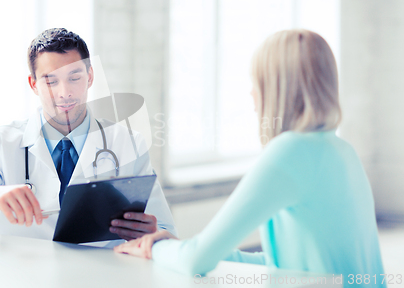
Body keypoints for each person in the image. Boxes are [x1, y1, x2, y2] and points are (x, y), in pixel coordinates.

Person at [114, 29, 387, 287]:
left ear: (276, 89)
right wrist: (177, 246)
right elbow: (279, 264)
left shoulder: (290, 151)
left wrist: (156, 247)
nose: (251, 94)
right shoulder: (341, 150)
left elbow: (196, 262)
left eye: (256, 82)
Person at [0, 28, 176, 247]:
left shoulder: (128, 143)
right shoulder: (3, 142)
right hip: (27, 276)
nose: (65, 93)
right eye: (51, 80)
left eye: (74, 77)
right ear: (33, 84)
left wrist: (150, 233)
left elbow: (165, 230)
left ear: (90, 76)